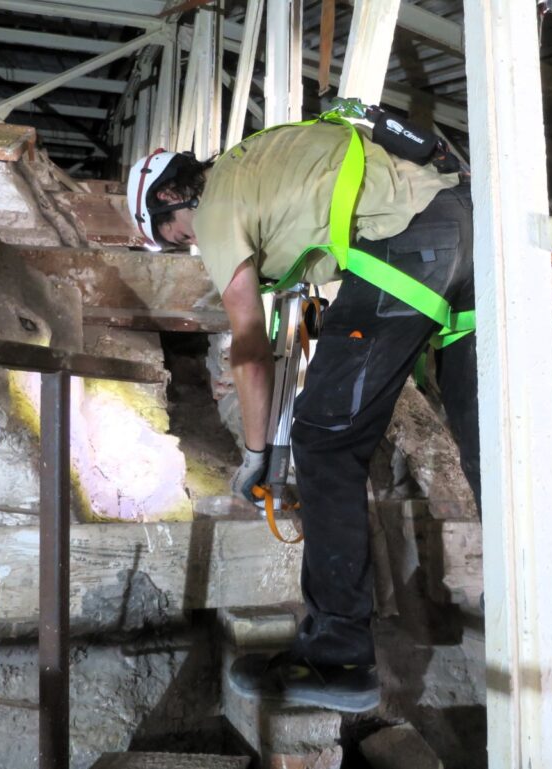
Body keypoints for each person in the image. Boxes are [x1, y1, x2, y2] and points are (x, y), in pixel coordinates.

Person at [127, 112, 480, 713]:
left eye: (176, 235)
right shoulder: (259, 162)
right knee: (486, 438)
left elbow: (249, 345)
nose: (190, 244)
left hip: (409, 244)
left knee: (323, 440)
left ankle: (339, 656)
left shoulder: (214, 210)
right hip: (465, 228)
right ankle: (535, 607)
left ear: (170, 195)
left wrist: (260, 452)